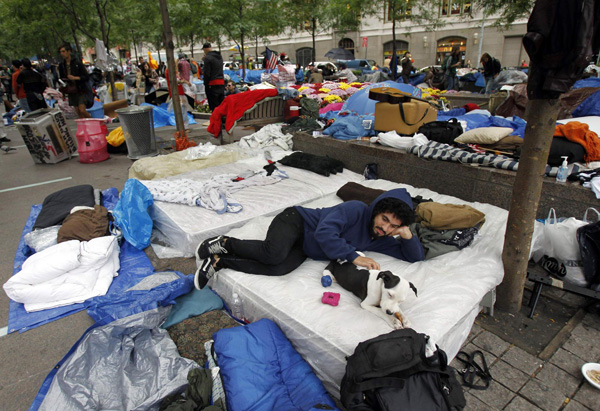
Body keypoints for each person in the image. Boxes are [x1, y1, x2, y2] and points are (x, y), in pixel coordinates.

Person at [193, 189, 424, 289]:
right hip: (297, 221)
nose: (384, 227)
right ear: (376, 210)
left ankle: (218, 262)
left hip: (306, 247)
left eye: (393, 226)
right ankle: (224, 243)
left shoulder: (381, 238)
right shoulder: (356, 210)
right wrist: (354, 257)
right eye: (384, 219)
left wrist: (406, 235)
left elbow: (415, 257)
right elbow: (325, 232)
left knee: (279, 268)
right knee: (273, 253)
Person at [57, 44, 90, 118]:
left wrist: (75, 78)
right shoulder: (62, 65)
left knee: (82, 110)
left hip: (80, 89)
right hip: (71, 90)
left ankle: (95, 124)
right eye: (61, 52)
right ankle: (85, 127)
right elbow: (62, 78)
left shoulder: (77, 63)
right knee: (78, 111)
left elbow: (86, 76)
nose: (62, 53)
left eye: (63, 51)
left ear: (69, 51)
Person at [202, 43, 225, 111]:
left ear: (205, 49)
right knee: (221, 104)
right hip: (221, 83)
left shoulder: (208, 58)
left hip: (212, 84)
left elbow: (207, 73)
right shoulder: (219, 56)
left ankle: (216, 120)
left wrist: (206, 83)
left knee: (214, 106)